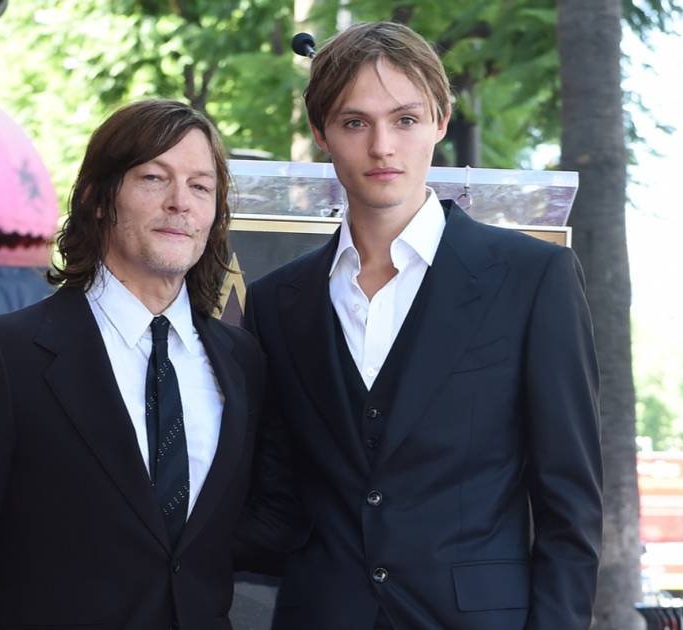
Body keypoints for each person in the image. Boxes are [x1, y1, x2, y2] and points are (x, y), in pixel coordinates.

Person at [238, 22, 603, 629]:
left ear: (440, 120)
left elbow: (571, 509)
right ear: (321, 132)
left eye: (404, 119)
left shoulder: (533, 279)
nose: (382, 146)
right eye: (355, 122)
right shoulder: (277, 302)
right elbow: (277, 502)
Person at [0, 100, 265, 630]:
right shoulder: (0, 357)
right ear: (97, 199)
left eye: (200, 186)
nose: (180, 203)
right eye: (153, 178)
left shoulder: (242, 363)